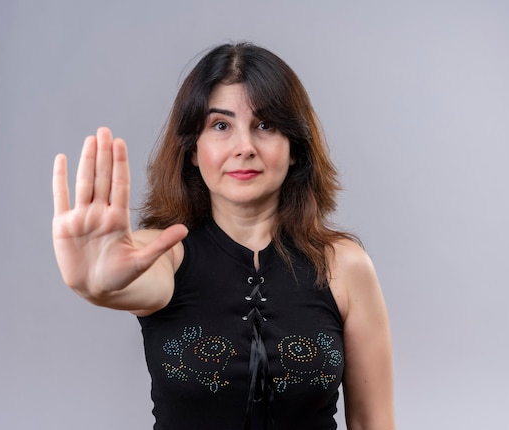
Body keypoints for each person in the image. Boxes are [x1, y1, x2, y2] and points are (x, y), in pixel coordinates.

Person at [52, 42, 395, 430]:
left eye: (265, 125)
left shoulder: (345, 266)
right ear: (193, 150)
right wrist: (92, 285)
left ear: (295, 148)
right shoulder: (162, 253)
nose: (244, 147)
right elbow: (127, 281)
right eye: (221, 126)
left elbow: (372, 423)